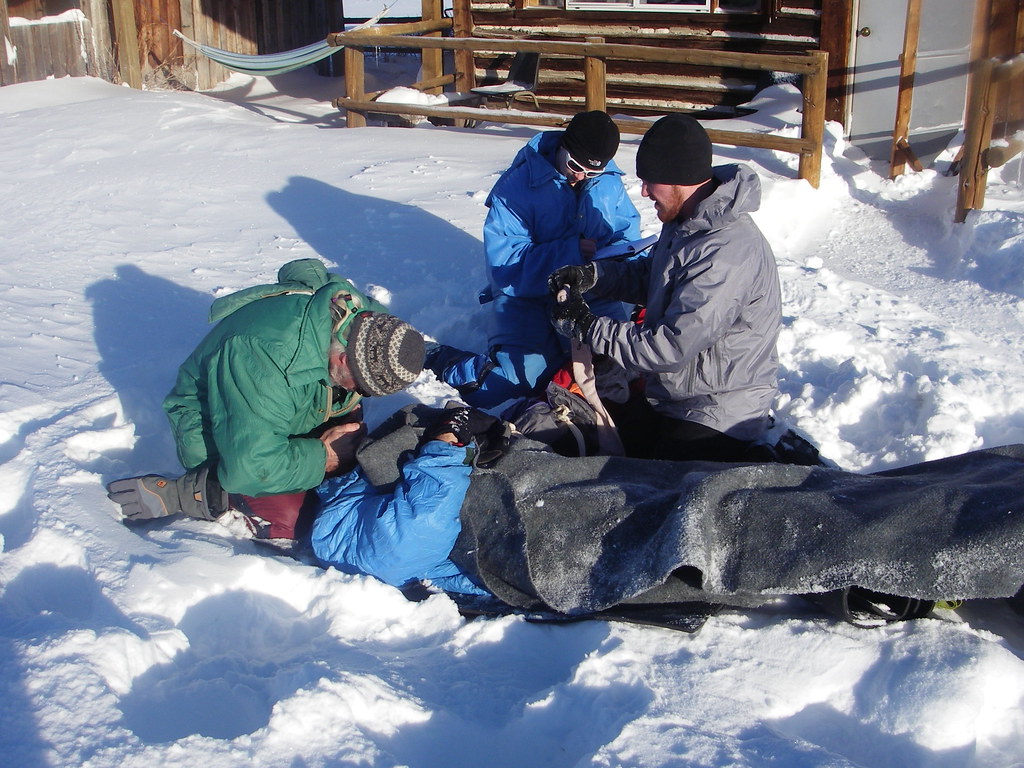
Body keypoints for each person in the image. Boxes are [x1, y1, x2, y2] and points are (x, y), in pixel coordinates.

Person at [106, 258, 426, 540]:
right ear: (343, 360)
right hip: (223, 426)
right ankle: (196, 493)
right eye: (362, 386)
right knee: (294, 518)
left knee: (357, 461)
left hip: (297, 400)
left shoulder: (370, 322)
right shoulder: (262, 354)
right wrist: (323, 457)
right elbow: (250, 467)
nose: (362, 395)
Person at [548, 113, 782, 462]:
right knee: (614, 448)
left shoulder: (726, 251)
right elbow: (654, 277)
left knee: (648, 491)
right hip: (677, 394)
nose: (643, 192)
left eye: (650, 181)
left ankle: (757, 457)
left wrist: (588, 327)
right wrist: (595, 276)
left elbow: (670, 346)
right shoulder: (689, 220)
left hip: (719, 407)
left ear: (678, 179)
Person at [425, 110, 642, 409]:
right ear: (562, 146)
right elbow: (505, 265)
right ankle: (446, 361)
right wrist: (571, 252)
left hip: (590, 293)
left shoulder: (609, 184)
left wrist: (618, 260)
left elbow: (627, 239)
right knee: (514, 384)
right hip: (524, 296)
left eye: (591, 173)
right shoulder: (516, 187)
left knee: (621, 369)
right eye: (574, 165)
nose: (580, 176)